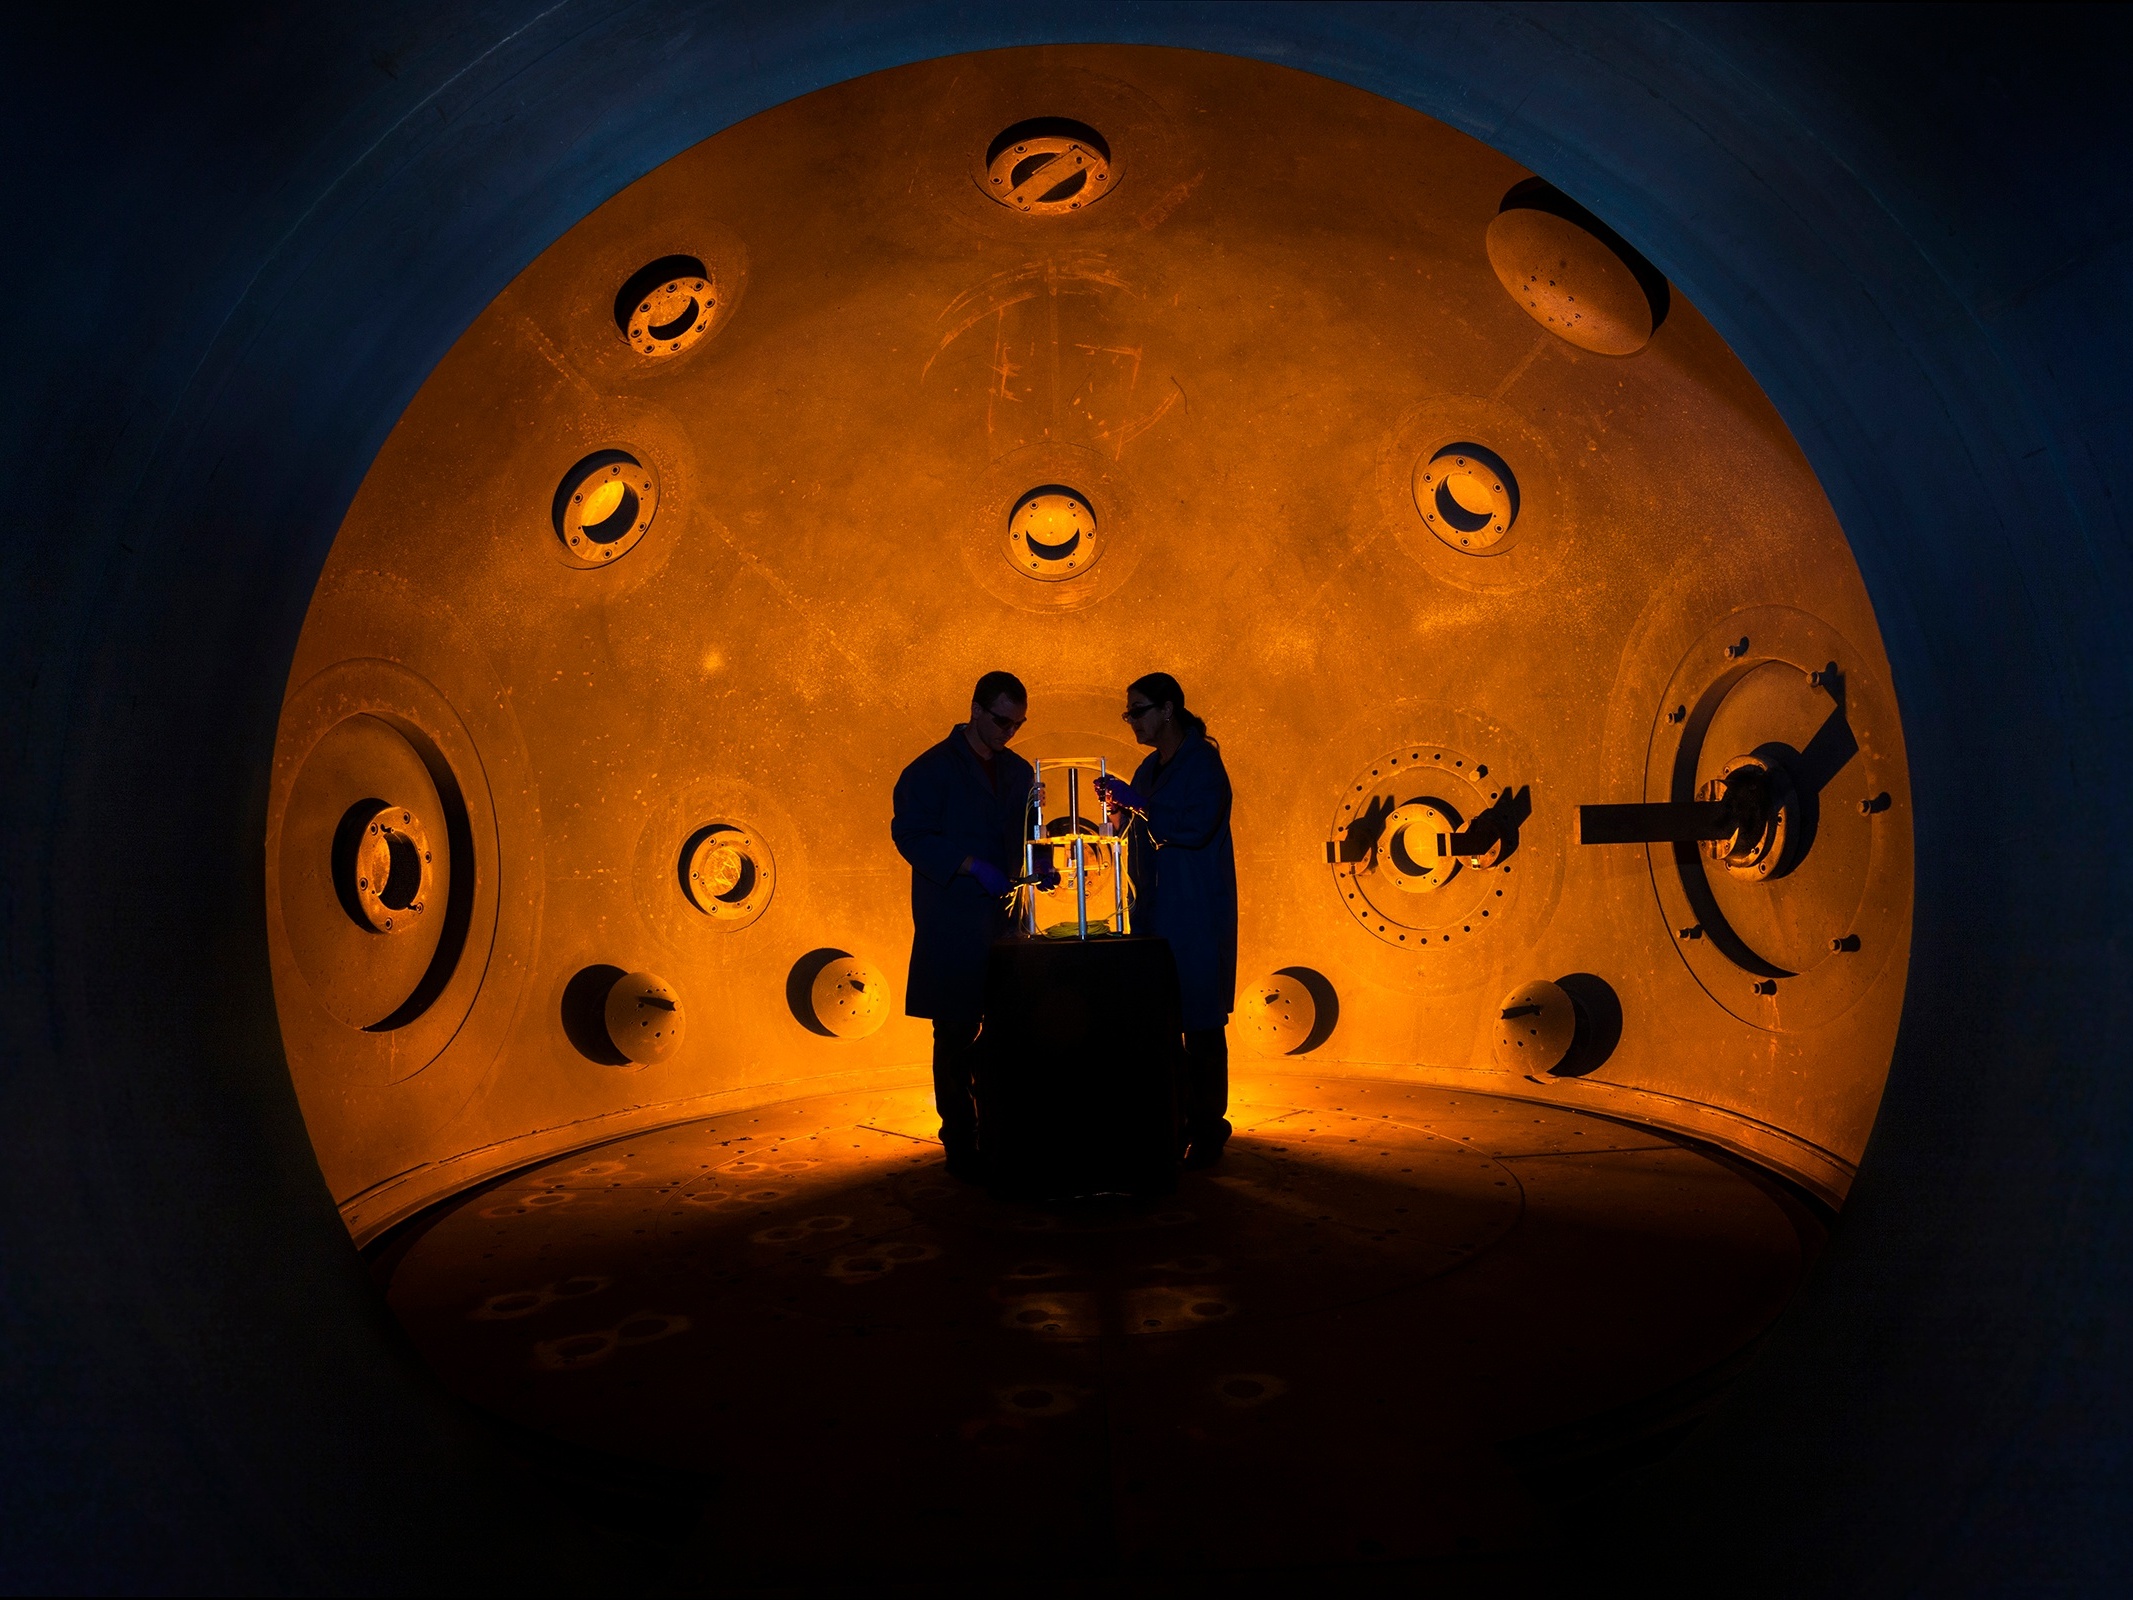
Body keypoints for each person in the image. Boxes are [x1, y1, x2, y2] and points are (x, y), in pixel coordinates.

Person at [890, 671, 1051, 1181]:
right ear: (975, 709)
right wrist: (966, 864)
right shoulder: (928, 772)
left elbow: (1029, 834)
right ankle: (960, 1140)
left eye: (1018, 723)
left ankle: (1005, 1131)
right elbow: (911, 834)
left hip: (1003, 925)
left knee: (1006, 1032)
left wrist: (1039, 862)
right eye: (1002, 720)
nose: (1009, 731)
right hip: (952, 922)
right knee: (955, 1034)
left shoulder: (1019, 771)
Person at [1094, 673, 1239, 1168]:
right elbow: (1135, 829)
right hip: (1157, 913)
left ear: (1168, 709)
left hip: (1195, 909)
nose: (1131, 720)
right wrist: (1114, 815)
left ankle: (1208, 1130)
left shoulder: (1203, 764)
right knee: (1162, 1025)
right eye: (1129, 712)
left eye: (1137, 710)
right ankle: (1173, 1123)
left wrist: (1140, 806)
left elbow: (1195, 828)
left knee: (1200, 1025)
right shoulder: (1149, 769)